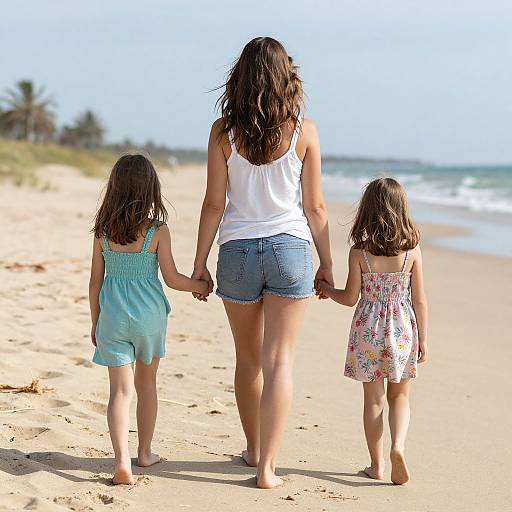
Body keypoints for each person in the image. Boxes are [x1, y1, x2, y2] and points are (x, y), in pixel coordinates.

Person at [192, 37, 333, 489]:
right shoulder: (304, 131)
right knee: (280, 362)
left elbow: (214, 204)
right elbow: (316, 209)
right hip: (289, 248)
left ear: (241, 78)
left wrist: (199, 265)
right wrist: (326, 264)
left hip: (236, 251)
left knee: (248, 359)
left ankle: (252, 449)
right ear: (286, 78)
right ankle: (268, 469)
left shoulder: (222, 132)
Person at [89, 153, 208, 485]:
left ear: (113, 189)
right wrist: (200, 285)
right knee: (147, 385)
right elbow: (172, 279)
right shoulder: (157, 231)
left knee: (119, 392)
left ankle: (121, 463)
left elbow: (95, 282)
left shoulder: (102, 232)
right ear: (150, 189)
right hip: (149, 318)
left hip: (111, 316)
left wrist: (94, 321)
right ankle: (144, 453)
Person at [318, 177, 428, 485]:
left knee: (374, 399)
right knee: (401, 396)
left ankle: (377, 465)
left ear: (368, 210)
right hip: (403, 328)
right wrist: (424, 340)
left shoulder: (360, 253)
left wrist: (328, 290)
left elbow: (350, 298)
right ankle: (398, 446)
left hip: (367, 330)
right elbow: (419, 299)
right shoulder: (412, 251)